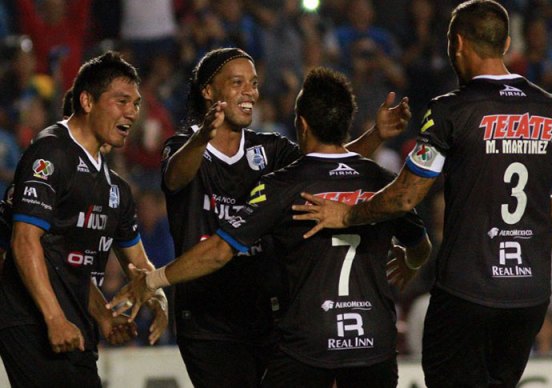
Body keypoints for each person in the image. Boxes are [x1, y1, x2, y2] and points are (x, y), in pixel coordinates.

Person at [292, 1, 552, 387]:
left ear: (457, 44)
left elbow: (405, 197)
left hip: (469, 293)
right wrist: (523, 216)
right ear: (504, 45)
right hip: (529, 295)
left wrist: (348, 215)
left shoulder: (451, 110)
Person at [109, 66, 432, 387]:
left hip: (307, 345)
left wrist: (153, 279)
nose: (250, 90)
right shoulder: (384, 185)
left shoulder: (284, 184)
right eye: (239, 82)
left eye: (253, 82)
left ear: (302, 124)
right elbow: (419, 243)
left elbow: (221, 250)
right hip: (373, 344)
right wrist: (411, 261)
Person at [0, 51, 168, 388]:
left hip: (76, 326)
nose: (132, 112)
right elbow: (24, 241)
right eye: (121, 101)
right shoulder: (51, 153)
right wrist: (54, 317)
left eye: (135, 104)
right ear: (87, 101)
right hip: (33, 319)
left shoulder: (115, 189)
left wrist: (146, 300)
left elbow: (132, 264)